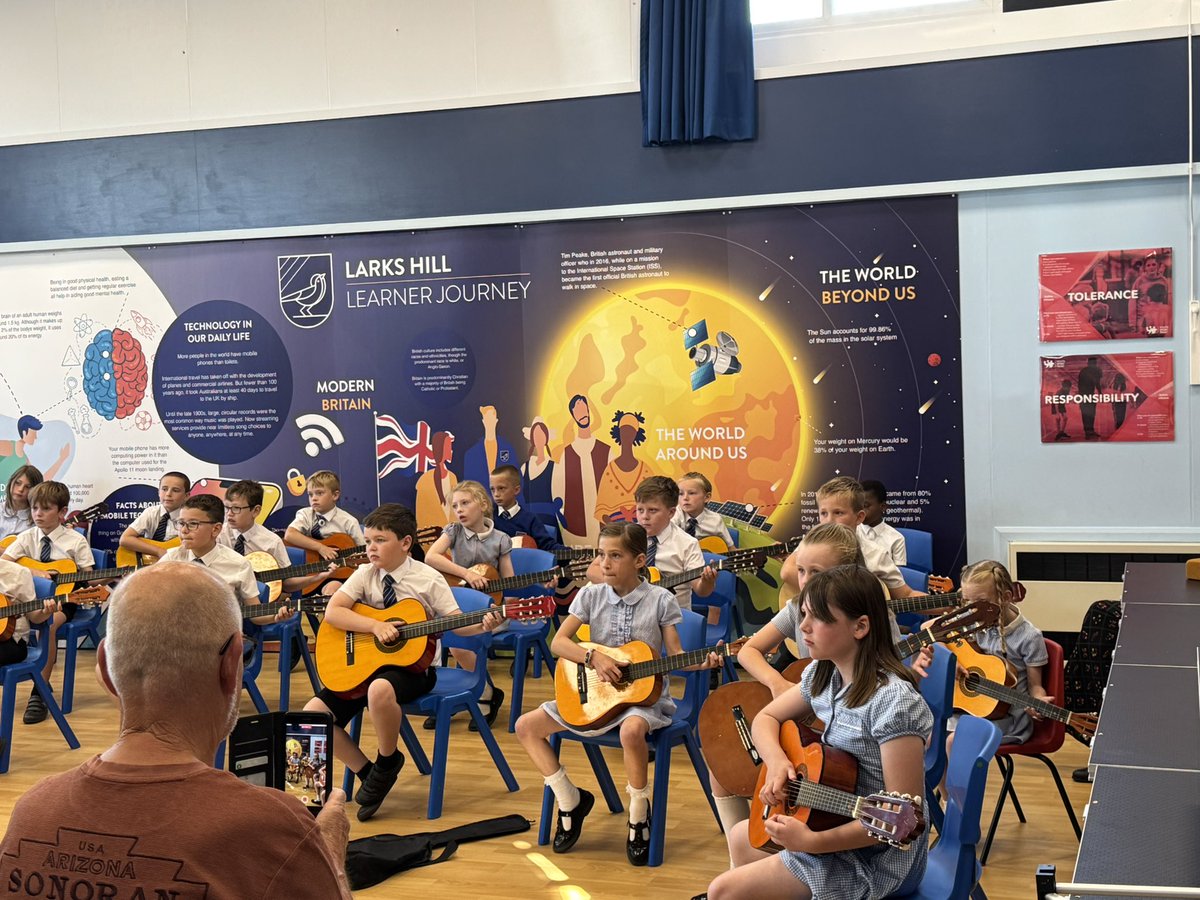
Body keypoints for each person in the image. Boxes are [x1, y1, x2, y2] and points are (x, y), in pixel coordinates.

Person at [0, 561, 353, 898]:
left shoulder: (31, 812)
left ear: (105, 669)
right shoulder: (275, 828)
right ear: (233, 665)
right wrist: (330, 862)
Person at [704, 565, 932, 900]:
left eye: (819, 618)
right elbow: (765, 718)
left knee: (722, 890)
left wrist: (812, 843)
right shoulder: (823, 674)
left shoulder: (895, 704)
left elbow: (903, 821)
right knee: (742, 836)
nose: (804, 627)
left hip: (876, 858)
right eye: (804, 614)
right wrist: (778, 762)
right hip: (829, 820)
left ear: (860, 627)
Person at [516, 522, 721, 866]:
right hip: (594, 698)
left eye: (615, 555)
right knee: (526, 726)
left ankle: (639, 813)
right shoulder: (590, 595)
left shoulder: (661, 600)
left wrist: (704, 663)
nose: (605, 563)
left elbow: (674, 658)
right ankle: (570, 800)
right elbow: (558, 642)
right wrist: (593, 656)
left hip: (644, 701)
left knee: (630, 730)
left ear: (639, 560)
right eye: (601, 554)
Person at [303, 503, 504, 821]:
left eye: (380, 540)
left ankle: (386, 758)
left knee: (380, 690)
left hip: (415, 670)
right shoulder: (364, 573)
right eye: (368, 541)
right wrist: (374, 626)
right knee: (310, 717)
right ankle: (360, 776)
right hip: (363, 666)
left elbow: (455, 621)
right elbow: (334, 612)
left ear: (406, 543)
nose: (371, 548)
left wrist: (483, 624)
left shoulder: (428, 578)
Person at [707, 523, 865, 856]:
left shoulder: (868, 620)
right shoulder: (796, 609)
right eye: (802, 570)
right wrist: (777, 682)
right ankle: (750, 849)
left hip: (838, 742)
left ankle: (769, 852)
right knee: (723, 768)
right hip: (805, 716)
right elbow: (748, 650)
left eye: (817, 572)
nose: (805, 581)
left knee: (758, 773)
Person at [423, 480, 512, 730]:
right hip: (457, 603)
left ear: (483, 505)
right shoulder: (453, 531)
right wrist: (468, 573)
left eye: (465, 503)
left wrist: (515, 602)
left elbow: (508, 580)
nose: (459, 509)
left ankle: (479, 694)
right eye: (455, 505)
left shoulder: (501, 539)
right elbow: (431, 557)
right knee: (443, 635)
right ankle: (485, 692)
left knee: (460, 641)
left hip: (491, 609)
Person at [2, 480, 93, 724]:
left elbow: (88, 575)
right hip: (27, 599)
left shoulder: (75, 541)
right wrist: (34, 572)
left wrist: (104, 578)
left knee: (50, 625)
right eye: (34, 509)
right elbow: (5, 562)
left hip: (64, 599)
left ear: (62, 512)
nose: (38, 514)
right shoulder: (26, 536)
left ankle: (39, 691)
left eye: (45, 509)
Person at [783, 477, 929, 616]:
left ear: (859, 517)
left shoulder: (875, 554)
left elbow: (905, 595)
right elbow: (787, 572)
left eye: (838, 513)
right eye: (823, 513)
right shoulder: (813, 543)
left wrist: (950, 604)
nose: (829, 521)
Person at [945, 561, 1048, 756]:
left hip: (1010, 718)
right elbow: (930, 629)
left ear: (1006, 597)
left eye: (980, 602)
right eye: (966, 601)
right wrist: (955, 661)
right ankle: (943, 789)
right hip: (975, 710)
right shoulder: (974, 622)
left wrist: (1039, 701)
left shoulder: (1029, 637)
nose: (971, 609)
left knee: (953, 742)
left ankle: (962, 788)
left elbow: (1036, 686)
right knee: (927, 735)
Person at [587, 475, 715, 612]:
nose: (644, 517)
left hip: (670, 616)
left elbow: (701, 590)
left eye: (652, 510)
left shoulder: (688, 544)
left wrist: (708, 581)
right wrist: (627, 588)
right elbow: (592, 571)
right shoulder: (626, 535)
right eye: (640, 510)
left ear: (671, 512)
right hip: (626, 613)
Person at [158, 495, 285, 626]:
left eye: (193, 524)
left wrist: (275, 616)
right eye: (181, 523)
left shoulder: (238, 564)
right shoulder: (172, 558)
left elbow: (255, 615)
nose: (184, 530)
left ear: (216, 529)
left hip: (221, 635)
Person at [219, 478, 326, 595]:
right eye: (226, 507)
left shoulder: (272, 542)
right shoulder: (216, 535)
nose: (229, 514)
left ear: (255, 511)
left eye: (236, 508)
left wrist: (317, 578)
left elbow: (287, 583)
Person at [285, 469, 365, 594]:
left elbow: (364, 551)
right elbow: (290, 535)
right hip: (309, 574)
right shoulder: (306, 514)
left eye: (319, 493)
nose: (314, 499)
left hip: (336, 575)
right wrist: (321, 548)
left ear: (335, 495)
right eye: (310, 494)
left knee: (332, 590)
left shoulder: (348, 522)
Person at [552, 394, 611, 546]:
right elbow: (558, 492)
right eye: (577, 411)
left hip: (604, 524)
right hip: (576, 527)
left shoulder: (607, 451)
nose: (582, 414)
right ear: (573, 416)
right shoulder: (567, 453)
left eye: (584, 409)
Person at [594, 410, 655, 525]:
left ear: (636, 434)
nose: (627, 434)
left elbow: (655, 505)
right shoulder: (610, 470)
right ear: (618, 432)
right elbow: (602, 511)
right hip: (616, 531)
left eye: (631, 431)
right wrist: (612, 527)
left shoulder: (645, 470)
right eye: (624, 430)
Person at [118, 470, 190, 563]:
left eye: (175, 490)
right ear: (158, 492)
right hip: (151, 563)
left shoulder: (191, 517)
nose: (168, 494)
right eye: (164, 489)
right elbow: (125, 539)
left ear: (187, 495)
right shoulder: (151, 513)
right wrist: (158, 551)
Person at [490, 463, 558, 553]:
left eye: (501, 488)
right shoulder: (487, 516)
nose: (496, 494)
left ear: (516, 490)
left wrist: (573, 553)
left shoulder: (530, 519)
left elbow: (548, 546)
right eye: (492, 489)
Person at [0, 415, 69, 489]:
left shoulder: (25, 460)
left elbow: (40, 482)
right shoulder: (8, 446)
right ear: (24, 433)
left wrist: (61, 459)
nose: (35, 437)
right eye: (33, 433)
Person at [463, 405, 519, 488]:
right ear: (483, 421)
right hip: (482, 499)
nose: (489, 422)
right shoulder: (471, 454)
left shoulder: (507, 449)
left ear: (496, 420)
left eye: (491, 418)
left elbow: (516, 479)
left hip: (504, 499)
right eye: (487, 419)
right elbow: (469, 486)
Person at [414, 432, 458, 530]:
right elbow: (420, 517)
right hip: (432, 538)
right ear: (440, 449)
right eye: (448, 447)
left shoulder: (452, 477)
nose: (451, 450)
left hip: (454, 537)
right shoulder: (425, 479)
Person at [859, 479, 907, 567]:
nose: (861, 511)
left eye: (865, 506)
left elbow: (898, 576)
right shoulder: (851, 532)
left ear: (883, 507)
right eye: (858, 506)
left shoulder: (897, 539)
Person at [521, 415, 557, 506]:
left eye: (541, 434)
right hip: (529, 517)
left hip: (548, 517)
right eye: (536, 435)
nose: (539, 438)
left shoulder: (555, 467)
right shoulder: (525, 467)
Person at [0, 464, 42, 541]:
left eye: (28, 487)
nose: (20, 489)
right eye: (18, 483)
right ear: (10, 482)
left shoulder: (39, 517)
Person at [1076, 356, 1103, 440]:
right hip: (1090, 395)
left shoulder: (1083, 371)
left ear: (1088, 362)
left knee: (1085, 414)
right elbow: (1097, 383)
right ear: (1095, 363)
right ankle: (1090, 431)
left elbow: (1079, 384)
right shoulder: (1097, 370)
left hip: (1083, 395)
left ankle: (1088, 432)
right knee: (1091, 413)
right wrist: (1100, 393)